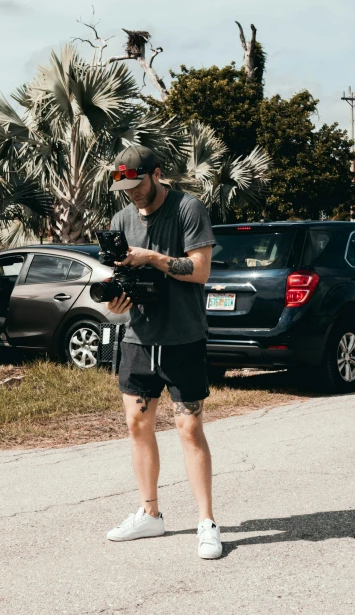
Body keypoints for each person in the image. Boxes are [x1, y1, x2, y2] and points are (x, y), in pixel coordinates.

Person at [105, 144, 222, 560]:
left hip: (183, 337)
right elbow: (120, 273)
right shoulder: (121, 218)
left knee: (188, 429)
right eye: (125, 187)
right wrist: (117, 298)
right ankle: (149, 514)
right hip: (138, 338)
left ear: (156, 174)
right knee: (138, 425)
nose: (133, 193)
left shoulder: (188, 209)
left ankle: (206, 522)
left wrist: (151, 258)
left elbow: (201, 269)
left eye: (138, 184)